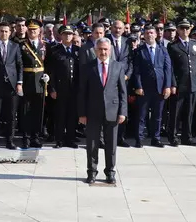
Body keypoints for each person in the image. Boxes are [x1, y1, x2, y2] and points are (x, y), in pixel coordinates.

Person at [77, 37, 127, 184]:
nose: (103, 52)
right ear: (95, 50)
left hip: (112, 111)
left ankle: (110, 172)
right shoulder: (88, 67)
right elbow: (82, 92)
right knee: (92, 144)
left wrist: (123, 112)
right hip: (92, 111)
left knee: (111, 145)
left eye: (105, 49)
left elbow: (123, 92)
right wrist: (82, 113)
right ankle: (92, 172)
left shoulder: (117, 66)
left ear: (109, 50)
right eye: (100, 49)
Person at [129, 25, 173, 148]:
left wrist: (168, 86)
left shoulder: (163, 50)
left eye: (152, 33)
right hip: (144, 88)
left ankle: (156, 138)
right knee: (141, 115)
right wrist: (138, 86)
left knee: (157, 116)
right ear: (144, 35)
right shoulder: (139, 50)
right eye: (147, 33)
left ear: (156, 34)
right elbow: (136, 70)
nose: (150, 35)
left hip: (159, 87)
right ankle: (139, 138)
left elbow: (168, 69)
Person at [166, 19, 196, 146]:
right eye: (182, 28)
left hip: (193, 83)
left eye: (187, 28)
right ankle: (173, 136)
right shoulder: (173, 46)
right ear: (178, 30)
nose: (185, 31)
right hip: (179, 84)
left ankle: (187, 137)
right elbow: (170, 67)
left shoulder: (195, 44)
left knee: (189, 112)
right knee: (176, 112)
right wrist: (173, 84)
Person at [46, 26, 79, 148]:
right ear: (60, 35)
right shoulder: (55, 50)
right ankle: (59, 139)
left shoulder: (77, 50)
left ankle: (70, 139)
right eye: (65, 34)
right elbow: (51, 72)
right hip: (60, 88)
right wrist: (52, 88)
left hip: (74, 88)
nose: (67, 36)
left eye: (70, 34)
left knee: (72, 115)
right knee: (60, 115)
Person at [18, 20, 49, 149]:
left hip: (41, 82)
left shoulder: (45, 45)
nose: (33, 32)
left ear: (39, 31)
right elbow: (18, 65)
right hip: (27, 81)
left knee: (38, 112)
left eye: (35, 30)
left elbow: (49, 63)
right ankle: (26, 137)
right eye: (30, 30)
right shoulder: (21, 45)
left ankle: (36, 137)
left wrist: (48, 75)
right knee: (26, 111)